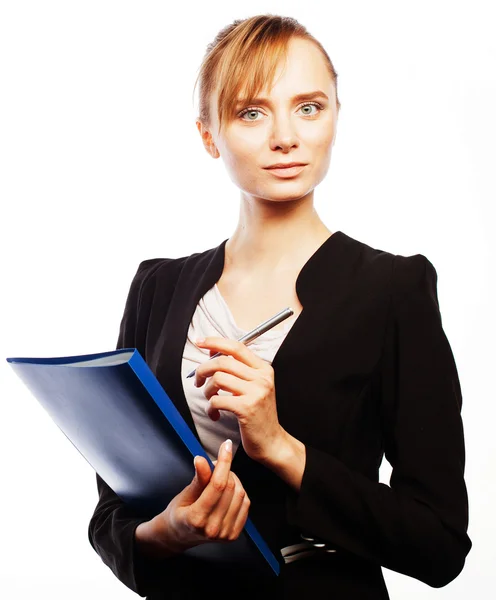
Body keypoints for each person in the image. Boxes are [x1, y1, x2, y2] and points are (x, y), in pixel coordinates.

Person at [87, 14, 472, 599]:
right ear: (209, 134)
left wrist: (280, 447)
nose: (286, 136)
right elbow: (112, 512)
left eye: (309, 107)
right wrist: (166, 531)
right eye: (251, 112)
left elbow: (440, 544)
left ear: (336, 117)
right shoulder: (157, 288)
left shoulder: (395, 290)